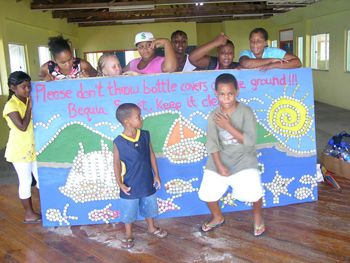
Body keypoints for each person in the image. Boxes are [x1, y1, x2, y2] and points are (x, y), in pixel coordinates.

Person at [198, 73, 265, 236]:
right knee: (206, 193)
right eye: (222, 94)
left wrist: (228, 126)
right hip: (219, 159)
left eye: (230, 94)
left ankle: (258, 217)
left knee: (255, 192)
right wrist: (219, 166)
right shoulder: (213, 116)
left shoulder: (246, 112)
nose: (226, 98)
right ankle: (217, 217)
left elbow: (249, 141)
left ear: (237, 92)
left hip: (244, 159)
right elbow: (212, 143)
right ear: (216, 94)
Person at [113, 103, 167, 249]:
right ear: (127, 121)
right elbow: (116, 164)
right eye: (138, 116)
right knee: (129, 209)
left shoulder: (144, 135)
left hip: (146, 181)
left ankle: (151, 227)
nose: (141, 119)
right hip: (129, 184)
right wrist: (120, 183)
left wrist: (156, 175)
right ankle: (129, 234)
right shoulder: (118, 142)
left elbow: (151, 154)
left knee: (149, 205)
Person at [3, 71, 41, 224]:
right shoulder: (11, 105)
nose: (27, 90)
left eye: (29, 87)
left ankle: (49, 208)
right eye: (23, 87)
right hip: (19, 150)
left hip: (33, 148)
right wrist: (30, 107)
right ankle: (29, 214)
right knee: (25, 181)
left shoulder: (27, 99)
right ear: (13, 88)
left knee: (41, 179)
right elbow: (22, 126)